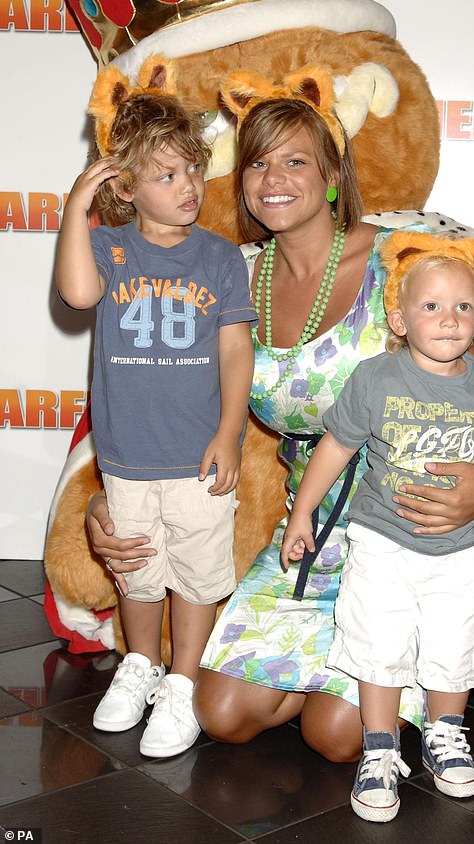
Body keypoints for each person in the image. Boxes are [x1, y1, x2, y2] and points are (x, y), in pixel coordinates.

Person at [86, 69, 474, 764]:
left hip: (417, 525)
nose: (273, 177)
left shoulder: (398, 260)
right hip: (308, 532)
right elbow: (145, 381)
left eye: (295, 160)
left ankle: (463, 636)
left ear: (333, 176)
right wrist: (106, 500)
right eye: (257, 161)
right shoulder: (228, 270)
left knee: (337, 735)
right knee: (220, 713)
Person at [280, 229, 474, 821]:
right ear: (399, 320)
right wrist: (302, 514)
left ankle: (446, 733)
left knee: (453, 642)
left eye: (463, 307)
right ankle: (379, 746)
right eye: (431, 307)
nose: (449, 320)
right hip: (381, 540)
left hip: (460, 547)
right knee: (378, 641)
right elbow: (335, 448)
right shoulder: (375, 379)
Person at [55, 91, 256, 758]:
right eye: (166, 175)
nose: (188, 186)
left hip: (198, 455)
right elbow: (77, 294)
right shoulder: (108, 250)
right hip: (129, 455)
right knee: (137, 572)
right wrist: (75, 210)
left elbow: (234, 349)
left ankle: (183, 680)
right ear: (127, 188)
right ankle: (140, 665)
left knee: (197, 576)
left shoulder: (222, 258)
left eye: (193, 169)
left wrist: (229, 432)